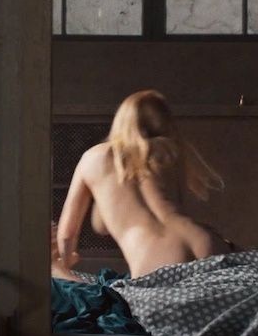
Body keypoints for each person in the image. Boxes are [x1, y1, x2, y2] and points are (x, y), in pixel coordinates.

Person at [55, 89, 232, 279]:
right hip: (205, 241)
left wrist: (64, 264)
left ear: (121, 120)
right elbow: (175, 206)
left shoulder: (92, 158)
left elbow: (67, 235)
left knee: (60, 278)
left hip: (156, 254)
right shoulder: (169, 150)